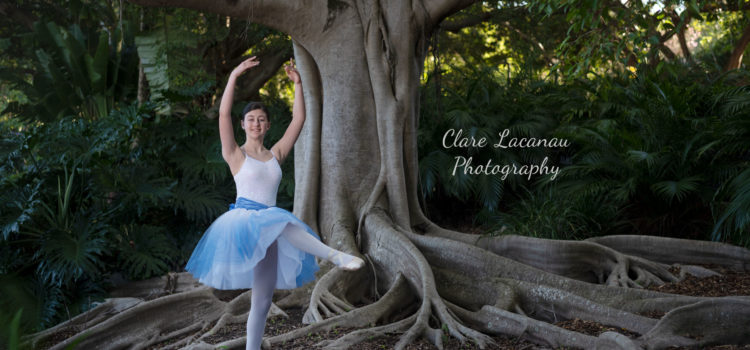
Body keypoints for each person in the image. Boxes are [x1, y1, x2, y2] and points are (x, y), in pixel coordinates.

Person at [185, 56, 364, 350]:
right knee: (282, 221)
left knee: (263, 300)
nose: (256, 123)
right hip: (245, 222)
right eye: (251, 119)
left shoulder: (276, 154)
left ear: (267, 125)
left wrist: (297, 84)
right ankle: (334, 256)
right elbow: (222, 114)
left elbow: (299, 121)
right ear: (243, 124)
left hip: (271, 227)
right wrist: (233, 75)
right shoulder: (235, 154)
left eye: (261, 119)